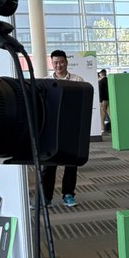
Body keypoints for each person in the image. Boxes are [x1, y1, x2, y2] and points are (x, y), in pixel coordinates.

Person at [42, 50, 84, 207]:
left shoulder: (77, 80)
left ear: (66, 61)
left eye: (61, 61)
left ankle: (68, 194)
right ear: (51, 64)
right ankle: (46, 198)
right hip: (52, 128)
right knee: (49, 164)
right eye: (55, 62)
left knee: (71, 163)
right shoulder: (45, 81)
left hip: (71, 127)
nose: (58, 65)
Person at [97, 68, 110, 133]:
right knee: (110, 115)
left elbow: (100, 92)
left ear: (101, 74)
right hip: (109, 100)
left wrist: (100, 101)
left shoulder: (100, 82)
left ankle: (102, 129)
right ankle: (114, 128)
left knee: (102, 115)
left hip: (103, 101)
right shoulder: (109, 80)